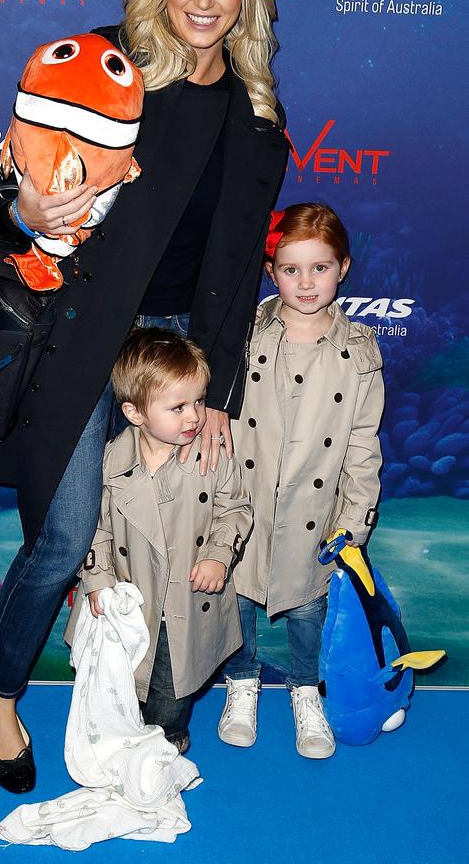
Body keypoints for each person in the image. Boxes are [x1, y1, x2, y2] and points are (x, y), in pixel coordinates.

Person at [0, 0, 289, 792]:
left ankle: (144, 696)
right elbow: (13, 208)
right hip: (79, 334)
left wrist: (218, 391)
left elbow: (235, 262)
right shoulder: (104, 64)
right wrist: (26, 207)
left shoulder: (255, 105)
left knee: (169, 536)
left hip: (180, 355)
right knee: (69, 533)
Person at [216, 203, 384, 759]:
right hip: (244, 498)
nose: (306, 282)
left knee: (310, 605)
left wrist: (354, 518)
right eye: (291, 269)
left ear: (344, 268)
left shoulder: (359, 352)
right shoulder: (242, 334)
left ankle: (305, 689)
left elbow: (362, 443)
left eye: (320, 267)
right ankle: (241, 685)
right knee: (237, 595)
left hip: (315, 506)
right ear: (271, 272)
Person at [67, 328, 250, 753]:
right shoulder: (110, 458)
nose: (195, 417)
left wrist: (218, 557)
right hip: (129, 603)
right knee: (120, 683)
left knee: (173, 689)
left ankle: (168, 740)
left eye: (200, 401)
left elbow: (236, 509)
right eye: (179, 407)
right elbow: (91, 525)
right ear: (135, 412)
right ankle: (124, 740)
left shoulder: (214, 454)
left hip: (186, 602)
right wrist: (98, 578)